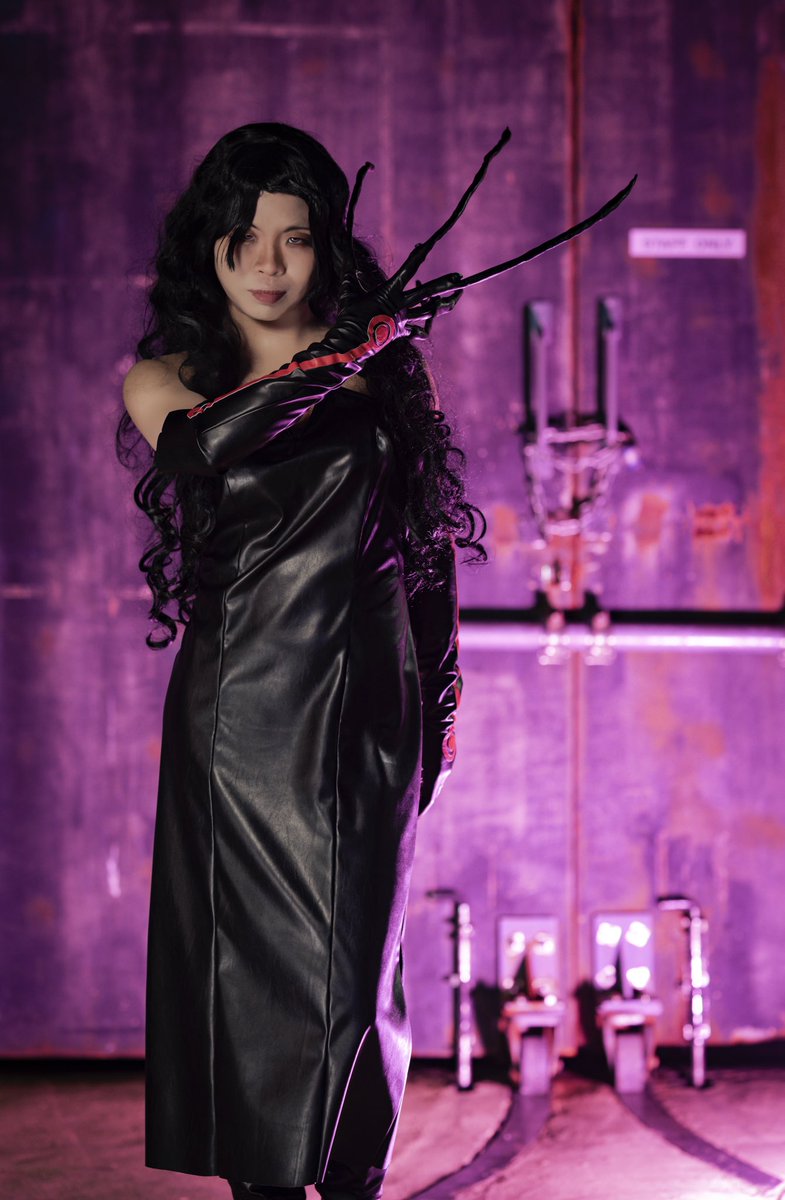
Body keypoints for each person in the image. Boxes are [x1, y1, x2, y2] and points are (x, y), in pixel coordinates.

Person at [116, 121, 487, 1200]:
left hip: (372, 702)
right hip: (240, 719)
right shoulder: (170, 376)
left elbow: (424, 548)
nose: (268, 265)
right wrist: (341, 359)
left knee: (359, 981)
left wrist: (441, 701)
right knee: (247, 982)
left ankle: (354, 1180)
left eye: (294, 238)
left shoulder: (388, 365)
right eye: (243, 238)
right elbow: (202, 448)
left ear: (327, 244)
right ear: (209, 246)